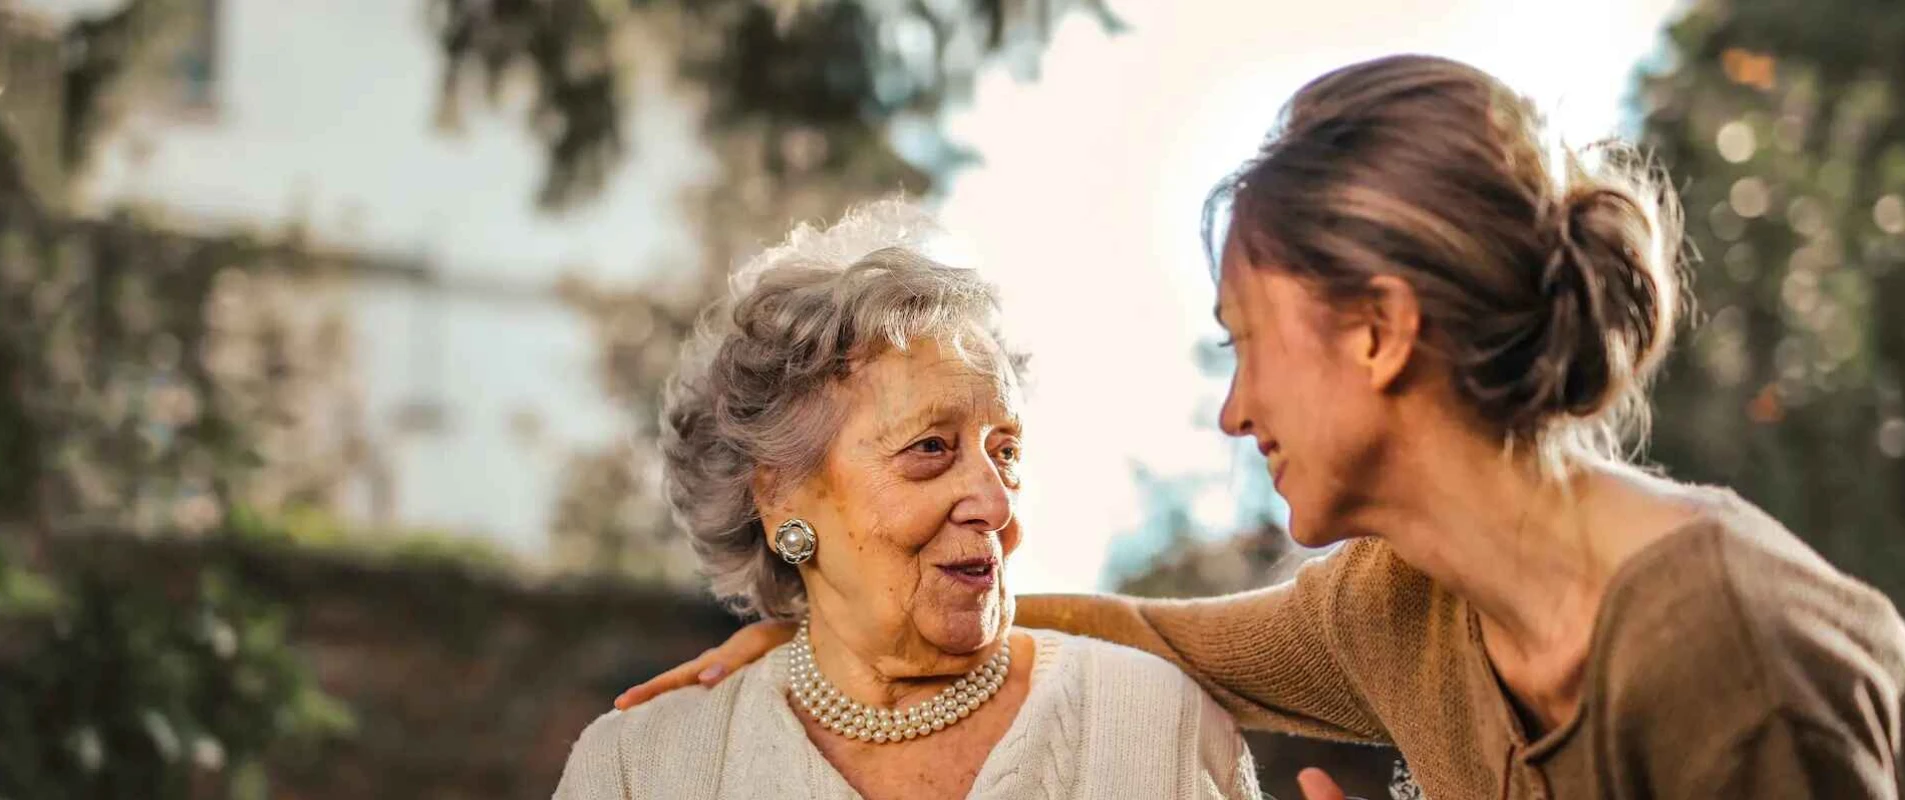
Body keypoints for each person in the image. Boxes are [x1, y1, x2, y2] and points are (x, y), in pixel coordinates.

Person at [614, 55, 1905, 799]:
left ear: (1379, 331)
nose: (1232, 409)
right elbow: (1148, 632)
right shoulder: (1401, 607)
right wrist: (818, 624)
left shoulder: (1719, 656)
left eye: (1244, 340)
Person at [553, 201, 1260, 799]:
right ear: (779, 495)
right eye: (930, 449)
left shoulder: (1158, 729)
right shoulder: (638, 770)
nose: (993, 501)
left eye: (1004, 452)